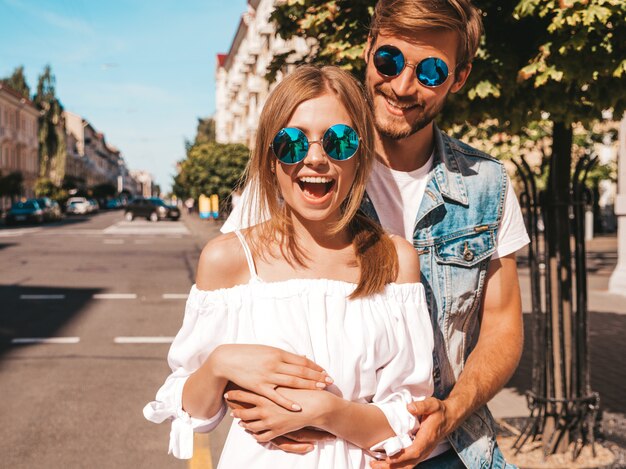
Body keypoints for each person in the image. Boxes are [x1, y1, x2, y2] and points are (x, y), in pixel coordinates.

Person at [222, 1, 529, 467]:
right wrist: (247, 401)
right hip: (324, 453)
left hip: (455, 451)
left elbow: (504, 326)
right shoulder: (297, 171)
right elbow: (223, 320)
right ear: (368, 50)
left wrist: (447, 415)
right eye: (389, 61)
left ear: (459, 77)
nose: (402, 87)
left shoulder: (487, 184)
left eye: (430, 71)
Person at [144, 65, 436, 468]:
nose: (315, 158)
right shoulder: (228, 260)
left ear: (360, 154)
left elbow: (408, 417)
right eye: (293, 143)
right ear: (270, 156)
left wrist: (325, 411)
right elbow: (191, 413)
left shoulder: (395, 260)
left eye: (338, 141)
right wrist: (220, 363)